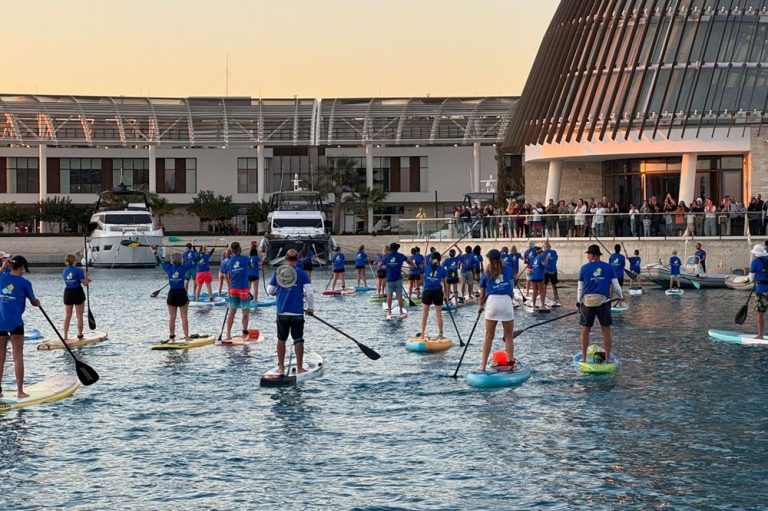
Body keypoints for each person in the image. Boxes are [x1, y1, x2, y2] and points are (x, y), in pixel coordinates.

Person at [267, 249, 314, 374]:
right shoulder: (301, 273)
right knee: (298, 339)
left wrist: (279, 292)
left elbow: (270, 291)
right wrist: (310, 308)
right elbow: (309, 293)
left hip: (282, 312)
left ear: (285, 259)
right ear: (297, 259)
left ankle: (281, 367)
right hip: (297, 312)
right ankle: (299, 368)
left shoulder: (279, 272)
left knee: (281, 340)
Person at [0, 256, 40, 398]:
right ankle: (20, 391)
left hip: (0, 321)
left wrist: (4, 267)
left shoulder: (1, 277)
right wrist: (37, 302)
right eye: (24, 269)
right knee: (18, 357)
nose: (24, 272)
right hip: (16, 322)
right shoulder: (25, 283)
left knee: (0, 356)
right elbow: (33, 302)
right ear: (22, 267)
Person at [577, 245, 623, 364]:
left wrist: (578, 302)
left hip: (587, 303)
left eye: (588, 254)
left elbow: (580, 288)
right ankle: (607, 359)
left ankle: (584, 358)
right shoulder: (608, 267)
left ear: (592, 255)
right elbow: (616, 286)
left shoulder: (584, 268)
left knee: (585, 330)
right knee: (606, 330)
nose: (587, 256)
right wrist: (621, 296)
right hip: (604, 302)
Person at [477, 249, 516, 372]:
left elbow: (482, 294)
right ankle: (510, 363)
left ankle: (482, 366)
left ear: (489, 259)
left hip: (492, 302)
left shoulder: (486, 272)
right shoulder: (508, 269)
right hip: (506, 302)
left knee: (489, 336)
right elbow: (511, 286)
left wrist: (480, 306)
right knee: (508, 335)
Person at [153, 248, 194, 341]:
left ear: (172, 261)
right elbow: (194, 261)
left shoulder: (168, 267)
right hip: (181, 293)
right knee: (184, 317)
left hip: (172, 293)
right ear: (181, 260)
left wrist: (154, 251)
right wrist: (191, 252)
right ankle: (187, 337)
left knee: (172, 317)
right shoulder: (184, 267)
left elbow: (158, 261)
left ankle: (171, 337)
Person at [222, 242, 251, 340]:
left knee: (231, 312)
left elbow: (227, 276)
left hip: (233, 289)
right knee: (245, 312)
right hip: (243, 289)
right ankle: (244, 333)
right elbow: (251, 266)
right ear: (240, 249)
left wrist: (230, 286)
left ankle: (228, 334)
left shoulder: (227, 262)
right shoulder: (245, 259)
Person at [418, 252, 447, 339]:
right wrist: (446, 295)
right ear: (439, 260)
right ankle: (441, 334)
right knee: (438, 314)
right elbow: (446, 284)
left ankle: (422, 334)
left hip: (427, 292)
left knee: (425, 314)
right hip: (437, 292)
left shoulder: (427, 266)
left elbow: (422, 268)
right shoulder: (442, 269)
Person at [62, 254, 90, 341]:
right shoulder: (78, 271)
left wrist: (84, 278)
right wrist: (87, 279)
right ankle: (80, 335)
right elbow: (85, 283)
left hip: (68, 293)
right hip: (77, 292)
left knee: (68, 315)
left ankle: (65, 336)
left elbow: (71, 281)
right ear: (74, 261)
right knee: (79, 316)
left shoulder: (64, 271)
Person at [384, 242, 413, 318]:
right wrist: (414, 266)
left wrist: (386, 265)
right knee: (399, 295)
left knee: (389, 296)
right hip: (398, 279)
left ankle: (389, 311)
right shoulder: (401, 255)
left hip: (389, 279)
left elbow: (380, 264)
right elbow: (409, 261)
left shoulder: (387, 256)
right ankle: (400, 311)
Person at [748, 244, 768, 339]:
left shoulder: (755, 262)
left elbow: (751, 279)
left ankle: (760, 335)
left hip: (761, 291)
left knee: (760, 313)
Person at [542, 241, 560, 306]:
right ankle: (556, 298)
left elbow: (542, 262)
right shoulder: (554, 252)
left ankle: (543, 299)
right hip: (553, 271)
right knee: (554, 285)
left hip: (546, 271)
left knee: (544, 285)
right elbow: (557, 258)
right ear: (550, 246)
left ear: (544, 247)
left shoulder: (543, 253)